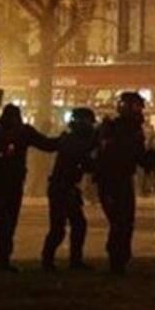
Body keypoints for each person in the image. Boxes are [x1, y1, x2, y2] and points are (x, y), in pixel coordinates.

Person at [0, 104, 57, 272]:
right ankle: (2, 258)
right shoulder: (21, 132)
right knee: (6, 220)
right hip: (5, 182)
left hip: (0, 181)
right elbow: (47, 144)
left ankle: (1, 258)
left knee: (4, 220)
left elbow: (47, 144)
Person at [94, 92, 155, 275]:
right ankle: (116, 260)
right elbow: (114, 154)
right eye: (137, 107)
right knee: (119, 221)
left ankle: (121, 258)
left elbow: (139, 158)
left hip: (123, 179)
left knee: (126, 221)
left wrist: (151, 157)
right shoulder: (114, 128)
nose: (140, 111)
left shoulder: (134, 130)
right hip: (111, 180)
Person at [41, 107, 98, 271]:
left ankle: (70, 260)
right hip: (62, 188)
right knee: (60, 228)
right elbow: (84, 159)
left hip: (66, 187)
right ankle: (49, 260)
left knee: (77, 224)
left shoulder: (69, 139)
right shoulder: (71, 141)